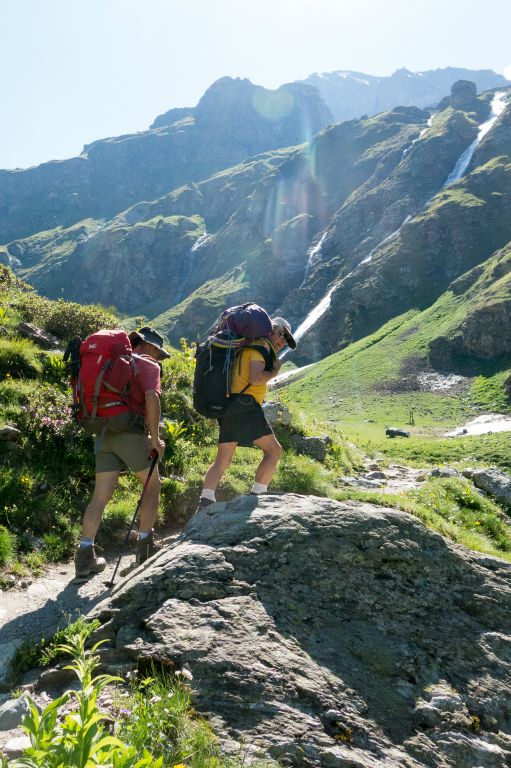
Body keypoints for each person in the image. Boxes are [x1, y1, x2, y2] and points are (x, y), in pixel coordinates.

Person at [74, 327, 168, 578]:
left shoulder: (112, 362)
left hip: (102, 429)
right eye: (159, 353)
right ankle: (146, 546)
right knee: (152, 484)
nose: (159, 359)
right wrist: (155, 439)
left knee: (100, 495)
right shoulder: (148, 365)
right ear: (151, 347)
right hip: (128, 431)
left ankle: (84, 557)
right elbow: (152, 396)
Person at [196, 317, 296, 511]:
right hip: (246, 405)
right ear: (273, 329)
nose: (282, 342)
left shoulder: (246, 345)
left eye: (286, 340)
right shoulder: (261, 346)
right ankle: (257, 496)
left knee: (223, 459)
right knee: (274, 451)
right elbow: (256, 377)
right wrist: (275, 370)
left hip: (230, 405)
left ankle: (205, 501)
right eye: (282, 335)